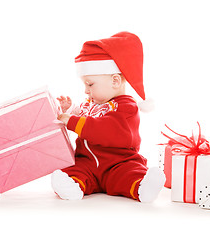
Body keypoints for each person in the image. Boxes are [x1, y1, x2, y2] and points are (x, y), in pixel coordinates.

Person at [51, 32, 165, 202]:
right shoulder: (93, 101)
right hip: (88, 163)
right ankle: (72, 186)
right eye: (84, 85)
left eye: (90, 84)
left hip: (118, 163)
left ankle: (143, 187)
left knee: (129, 174)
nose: (86, 91)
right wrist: (70, 110)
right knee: (74, 170)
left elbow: (104, 128)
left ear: (115, 81)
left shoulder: (126, 107)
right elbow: (84, 113)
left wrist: (72, 122)